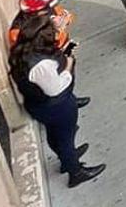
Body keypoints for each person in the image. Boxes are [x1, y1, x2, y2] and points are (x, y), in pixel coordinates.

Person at [9, 14, 106, 187]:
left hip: (39, 106)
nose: (55, 35)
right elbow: (56, 88)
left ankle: (67, 158)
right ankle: (75, 171)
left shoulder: (23, 52)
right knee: (65, 138)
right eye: (52, 33)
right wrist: (68, 64)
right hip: (56, 107)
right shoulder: (41, 65)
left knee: (55, 135)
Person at [8, 0, 76, 53]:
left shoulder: (48, 10)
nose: (53, 8)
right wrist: (57, 29)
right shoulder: (18, 33)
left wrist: (66, 19)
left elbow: (66, 15)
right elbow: (37, 51)